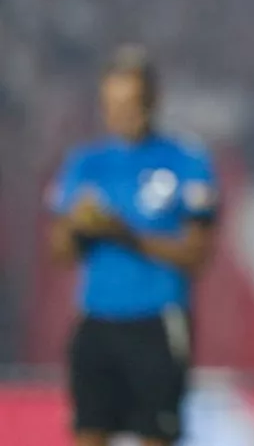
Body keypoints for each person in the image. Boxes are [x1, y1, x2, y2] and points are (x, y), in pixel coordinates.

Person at [46, 45, 219, 446]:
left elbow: (197, 255)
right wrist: (76, 226)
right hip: (96, 322)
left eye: (129, 103)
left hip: (156, 323)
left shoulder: (185, 161)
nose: (119, 114)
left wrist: (124, 233)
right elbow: (59, 253)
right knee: (87, 432)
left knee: (155, 435)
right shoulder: (85, 163)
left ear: (153, 101)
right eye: (111, 104)